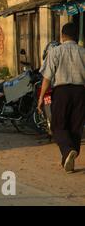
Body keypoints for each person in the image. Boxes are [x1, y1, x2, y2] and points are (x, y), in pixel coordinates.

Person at [38, 23, 85, 173]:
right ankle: (68, 158)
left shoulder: (55, 52)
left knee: (58, 125)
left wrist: (40, 98)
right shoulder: (83, 52)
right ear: (77, 37)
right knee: (76, 126)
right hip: (80, 93)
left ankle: (68, 151)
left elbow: (47, 77)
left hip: (61, 92)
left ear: (62, 36)